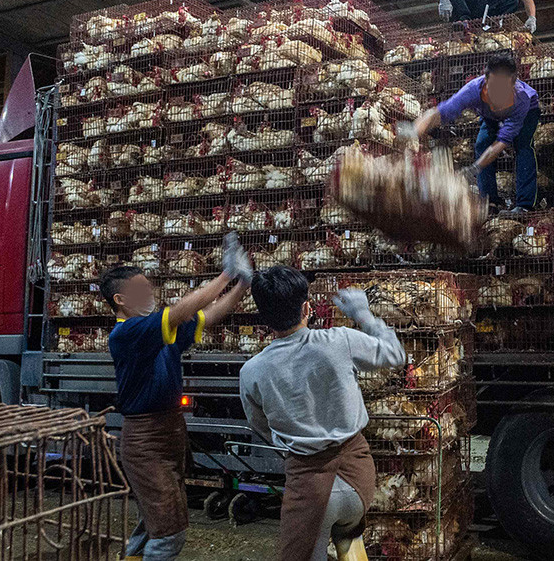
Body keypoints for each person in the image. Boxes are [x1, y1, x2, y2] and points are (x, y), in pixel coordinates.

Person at [103, 232, 253, 561]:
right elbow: (183, 309)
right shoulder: (127, 332)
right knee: (170, 532)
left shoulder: (159, 331)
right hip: (145, 440)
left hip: (168, 432)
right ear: (120, 300)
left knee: (152, 520)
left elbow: (208, 315)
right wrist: (227, 274)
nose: (149, 294)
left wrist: (243, 284)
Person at [239, 267, 406, 561]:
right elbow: (395, 355)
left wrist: (292, 443)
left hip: (309, 492)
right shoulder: (339, 341)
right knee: (347, 537)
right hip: (359, 483)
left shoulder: (252, 371)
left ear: (263, 317)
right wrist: (363, 314)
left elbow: (259, 424)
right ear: (307, 308)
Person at [412, 53, 540, 213]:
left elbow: (502, 142)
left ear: (513, 83)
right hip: (490, 114)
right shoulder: (473, 89)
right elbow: (440, 112)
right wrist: (413, 133)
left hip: (526, 113)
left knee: (523, 147)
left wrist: (475, 168)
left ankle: (524, 204)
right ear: (486, 80)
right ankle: (490, 202)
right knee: (482, 144)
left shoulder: (522, 99)